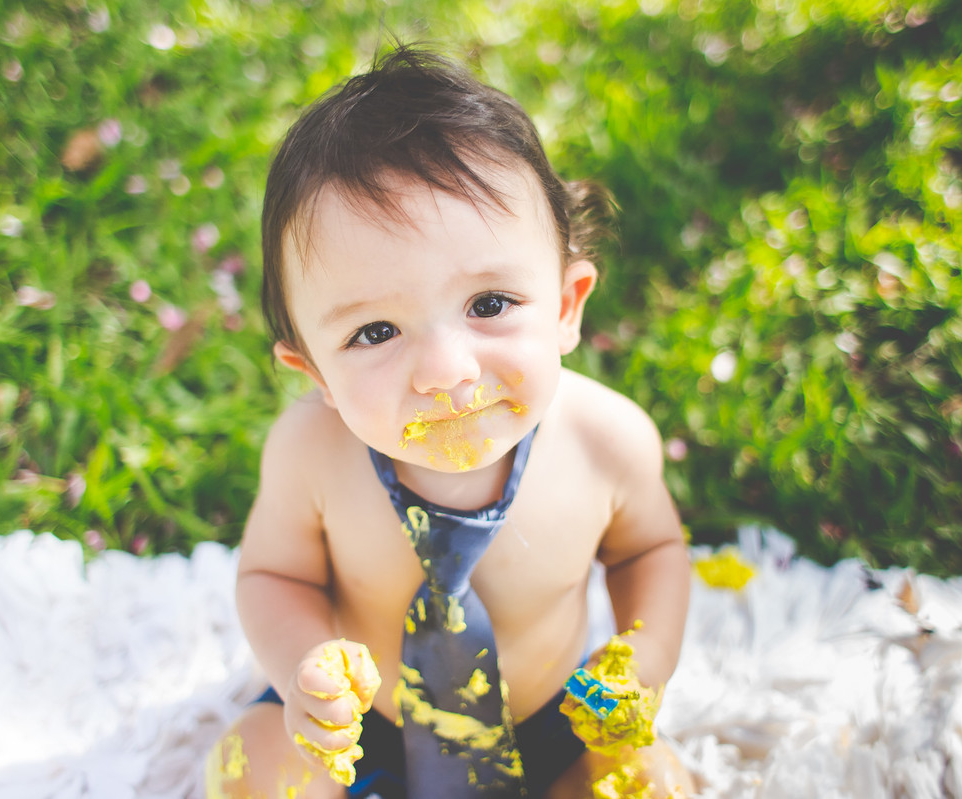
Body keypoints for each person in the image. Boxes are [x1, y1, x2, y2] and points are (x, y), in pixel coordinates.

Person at [206, 45, 692, 799]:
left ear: (566, 306)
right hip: (364, 724)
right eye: (374, 332)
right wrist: (306, 670)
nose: (446, 370)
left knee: (646, 783)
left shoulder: (607, 440)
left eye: (489, 305)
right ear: (315, 374)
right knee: (253, 761)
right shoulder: (310, 453)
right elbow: (274, 575)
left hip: (554, 718)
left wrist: (645, 653)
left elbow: (649, 552)